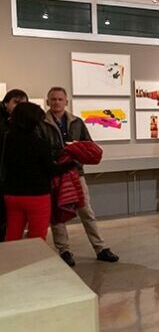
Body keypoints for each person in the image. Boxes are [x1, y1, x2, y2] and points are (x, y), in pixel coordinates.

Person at [38, 87, 118, 267]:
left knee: (86, 211)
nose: (57, 102)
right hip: (55, 174)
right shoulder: (41, 123)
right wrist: (62, 152)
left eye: (60, 99)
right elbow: (40, 150)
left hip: (76, 173)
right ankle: (64, 250)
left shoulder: (77, 122)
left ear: (66, 102)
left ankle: (100, 247)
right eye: (53, 99)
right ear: (48, 101)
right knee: (58, 214)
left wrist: (76, 151)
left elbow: (88, 145)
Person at [2, 103, 75, 241]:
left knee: (12, 235)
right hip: (37, 195)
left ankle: (12, 262)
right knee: (37, 238)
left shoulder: (7, 139)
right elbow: (50, 170)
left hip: (12, 194)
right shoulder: (40, 143)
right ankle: (34, 262)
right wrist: (70, 164)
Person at [0, 89, 28, 242]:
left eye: (23, 104)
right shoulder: (6, 123)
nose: (19, 107)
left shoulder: (14, 122)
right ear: (6, 102)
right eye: (16, 102)